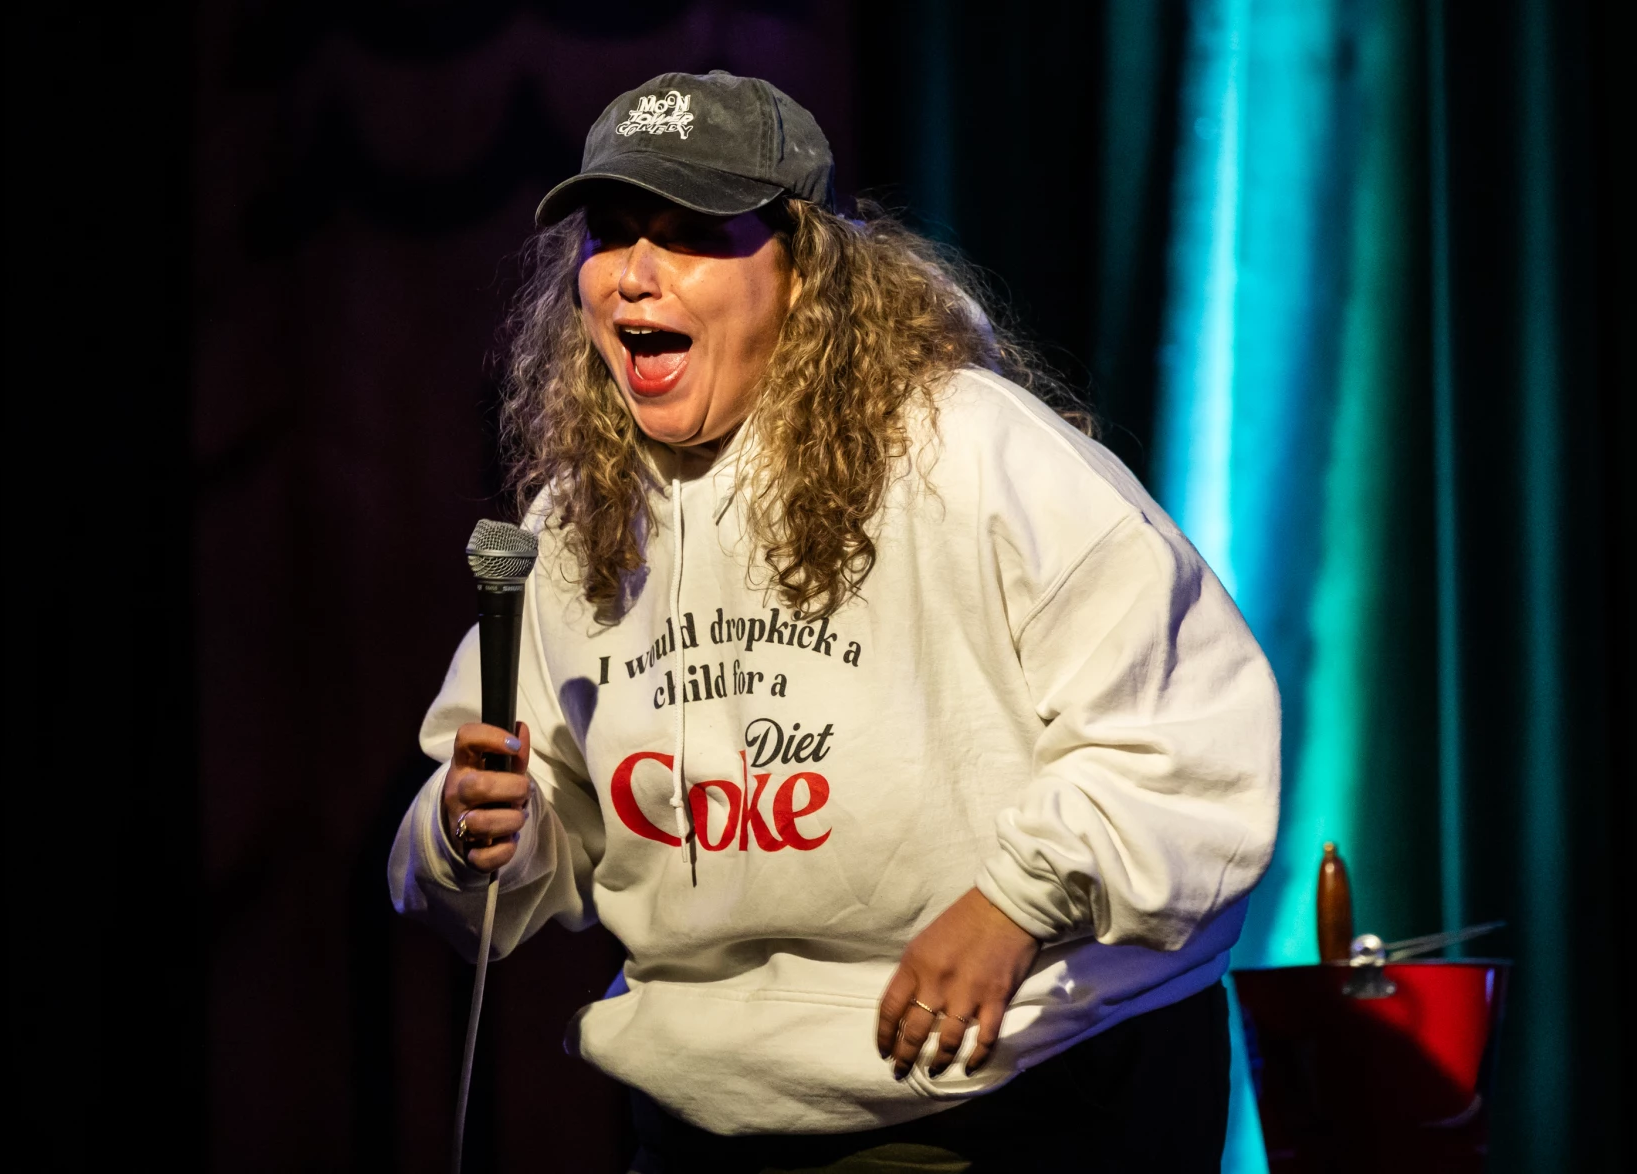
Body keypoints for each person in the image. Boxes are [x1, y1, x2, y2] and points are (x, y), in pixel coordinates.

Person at [389, 70, 1280, 1172]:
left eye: (688, 234)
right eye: (610, 235)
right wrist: (477, 830)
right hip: (709, 1110)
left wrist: (1012, 904)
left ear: (806, 270)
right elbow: (521, 836)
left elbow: (1190, 743)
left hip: (1010, 1088)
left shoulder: (972, 452)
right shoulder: (580, 521)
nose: (634, 274)